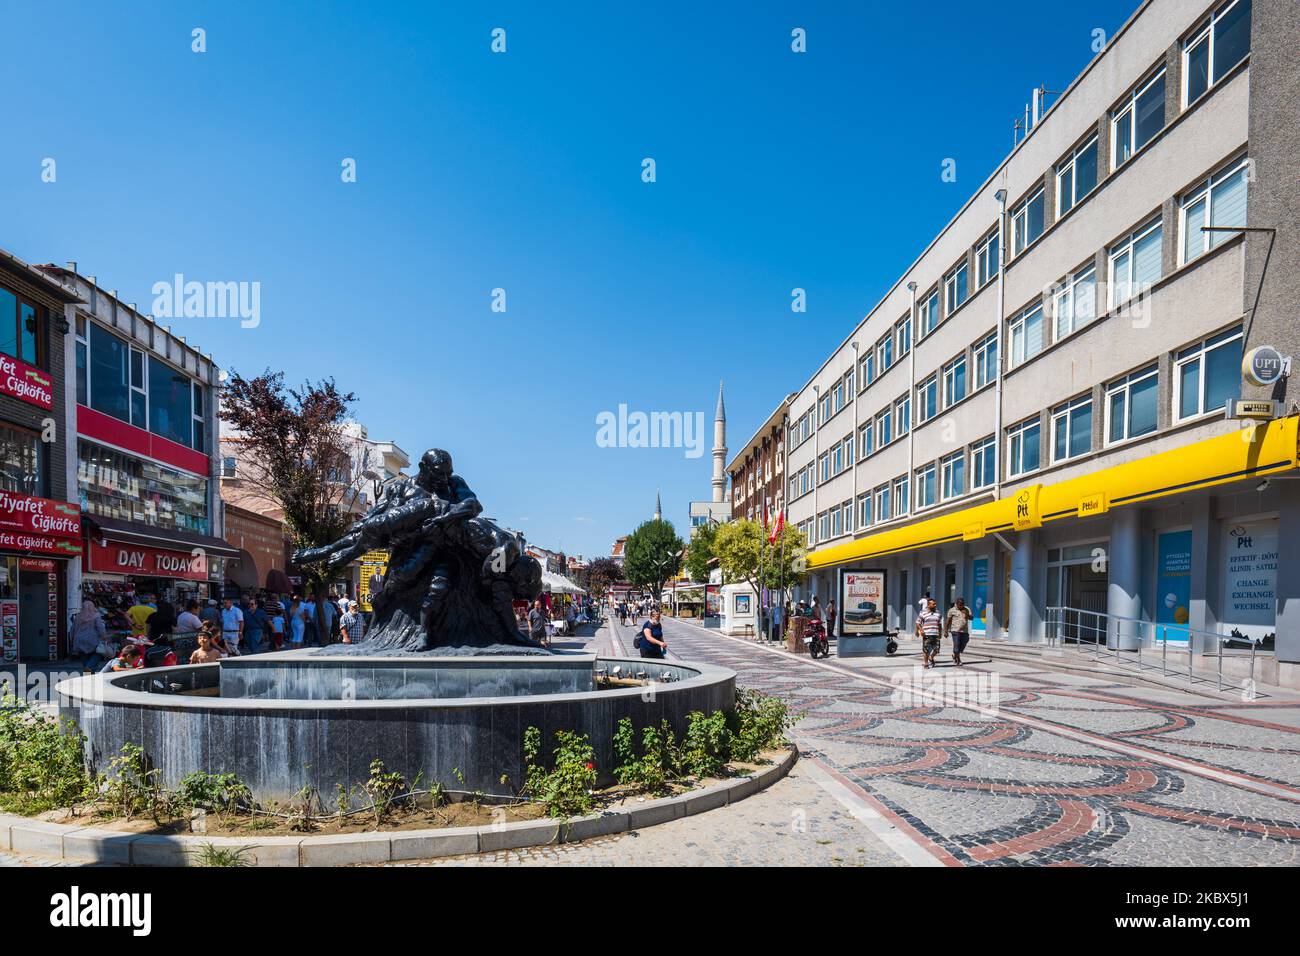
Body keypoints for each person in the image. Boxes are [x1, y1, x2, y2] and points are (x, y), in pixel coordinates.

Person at [72, 600, 109, 673]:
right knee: (97, 654)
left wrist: (73, 639)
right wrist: (104, 637)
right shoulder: (96, 616)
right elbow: (100, 628)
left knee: (83, 656)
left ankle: (87, 671)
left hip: (80, 639)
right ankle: (89, 667)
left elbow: (73, 628)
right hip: (93, 639)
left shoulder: (78, 616)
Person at [945, 596, 974, 666]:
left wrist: (966, 614)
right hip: (955, 630)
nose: (961, 606)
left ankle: (955, 655)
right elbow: (948, 621)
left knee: (964, 642)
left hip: (964, 631)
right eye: (960, 604)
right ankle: (958, 660)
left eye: (962, 604)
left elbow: (971, 618)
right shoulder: (952, 610)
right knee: (956, 645)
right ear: (956, 603)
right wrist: (945, 630)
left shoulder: (967, 609)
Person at [916, 597, 943, 669]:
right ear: (928, 605)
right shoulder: (923, 613)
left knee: (937, 649)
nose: (935, 605)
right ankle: (926, 663)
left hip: (936, 634)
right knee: (926, 649)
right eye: (933, 604)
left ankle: (931, 657)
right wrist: (921, 630)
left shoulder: (938, 613)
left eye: (935, 604)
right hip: (926, 634)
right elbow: (918, 623)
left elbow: (940, 624)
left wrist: (940, 633)